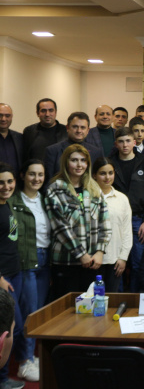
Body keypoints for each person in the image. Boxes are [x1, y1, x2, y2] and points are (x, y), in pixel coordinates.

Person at [44, 144, 110, 299]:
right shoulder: (55, 189)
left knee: (92, 307)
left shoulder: (94, 188)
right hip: (66, 262)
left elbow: (105, 224)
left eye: (83, 160)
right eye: (74, 160)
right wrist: (81, 254)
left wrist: (100, 251)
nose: (79, 165)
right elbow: (60, 227)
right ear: (66, 162)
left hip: (93, 261)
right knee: (67, 309)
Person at [11, 160, 48, 383]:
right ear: (23, 176)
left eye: (40, 175)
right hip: (26, 261)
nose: (36, 179)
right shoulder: (13, 201)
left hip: (46, 259)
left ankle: (32, 356)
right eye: (32, 174)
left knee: (39, 312)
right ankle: (24, 362)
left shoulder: (46, 199)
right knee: (29, 312)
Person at [111, 127, 144, 291]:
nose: (125, 145)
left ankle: (136, 298)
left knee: (138, 263)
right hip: (115, 220)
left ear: (134, 142)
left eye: (128, 141)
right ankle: (119, 297)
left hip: (138, 219)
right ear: (116, 144)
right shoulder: (110, 163)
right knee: (117, 262)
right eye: (121, 141)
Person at [0, 162, 31, 389]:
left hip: (15, 273)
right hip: (3, 278)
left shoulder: (7, 204)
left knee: (14, 327)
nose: (6, 186)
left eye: (9, 181)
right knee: (9, 328)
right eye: (0, 182)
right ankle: (2, 379)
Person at [92, 157, 132, 293]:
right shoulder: (88, 197)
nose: (107, 177)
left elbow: (127, 231)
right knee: (93, 299)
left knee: (111, 299)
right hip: (93, 259)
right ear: (94, 175)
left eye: (110, 173)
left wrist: (123, 257)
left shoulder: (122, 199)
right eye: (102, 173)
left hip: (115, 259)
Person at [44, 112, 104, 179]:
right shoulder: (52, 151)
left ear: (88, 130)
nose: (79, 131)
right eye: (75, 127)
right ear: (67, 128)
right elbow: (49, 180)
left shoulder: (96, 152)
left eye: (83, 127)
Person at [0, 105, 22, 176]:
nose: (3, 119)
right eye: (0, 115)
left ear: (11, 117)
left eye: (7, 116)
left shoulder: (20, 138)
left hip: (16, 181)